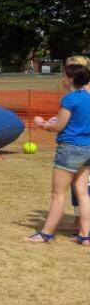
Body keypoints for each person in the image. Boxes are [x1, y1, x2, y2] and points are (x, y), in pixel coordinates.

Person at [26, 62, 90, 244]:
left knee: (58, 194)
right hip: (87, 148)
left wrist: (43, 124)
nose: (62, 79)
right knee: (82, 192)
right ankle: (85, 235)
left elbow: (59, 126)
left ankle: (46, 233)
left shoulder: (70, 99)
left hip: (70, 149)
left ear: (71, 79)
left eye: (64, 76)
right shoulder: (88, 97)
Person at [64, 55, 90, 228]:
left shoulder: (84, 93)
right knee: (78, 183)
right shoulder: (75, 93)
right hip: (80, 143)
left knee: (84, 184)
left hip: (82, 144)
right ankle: (78, 220)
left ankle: (83, 224)